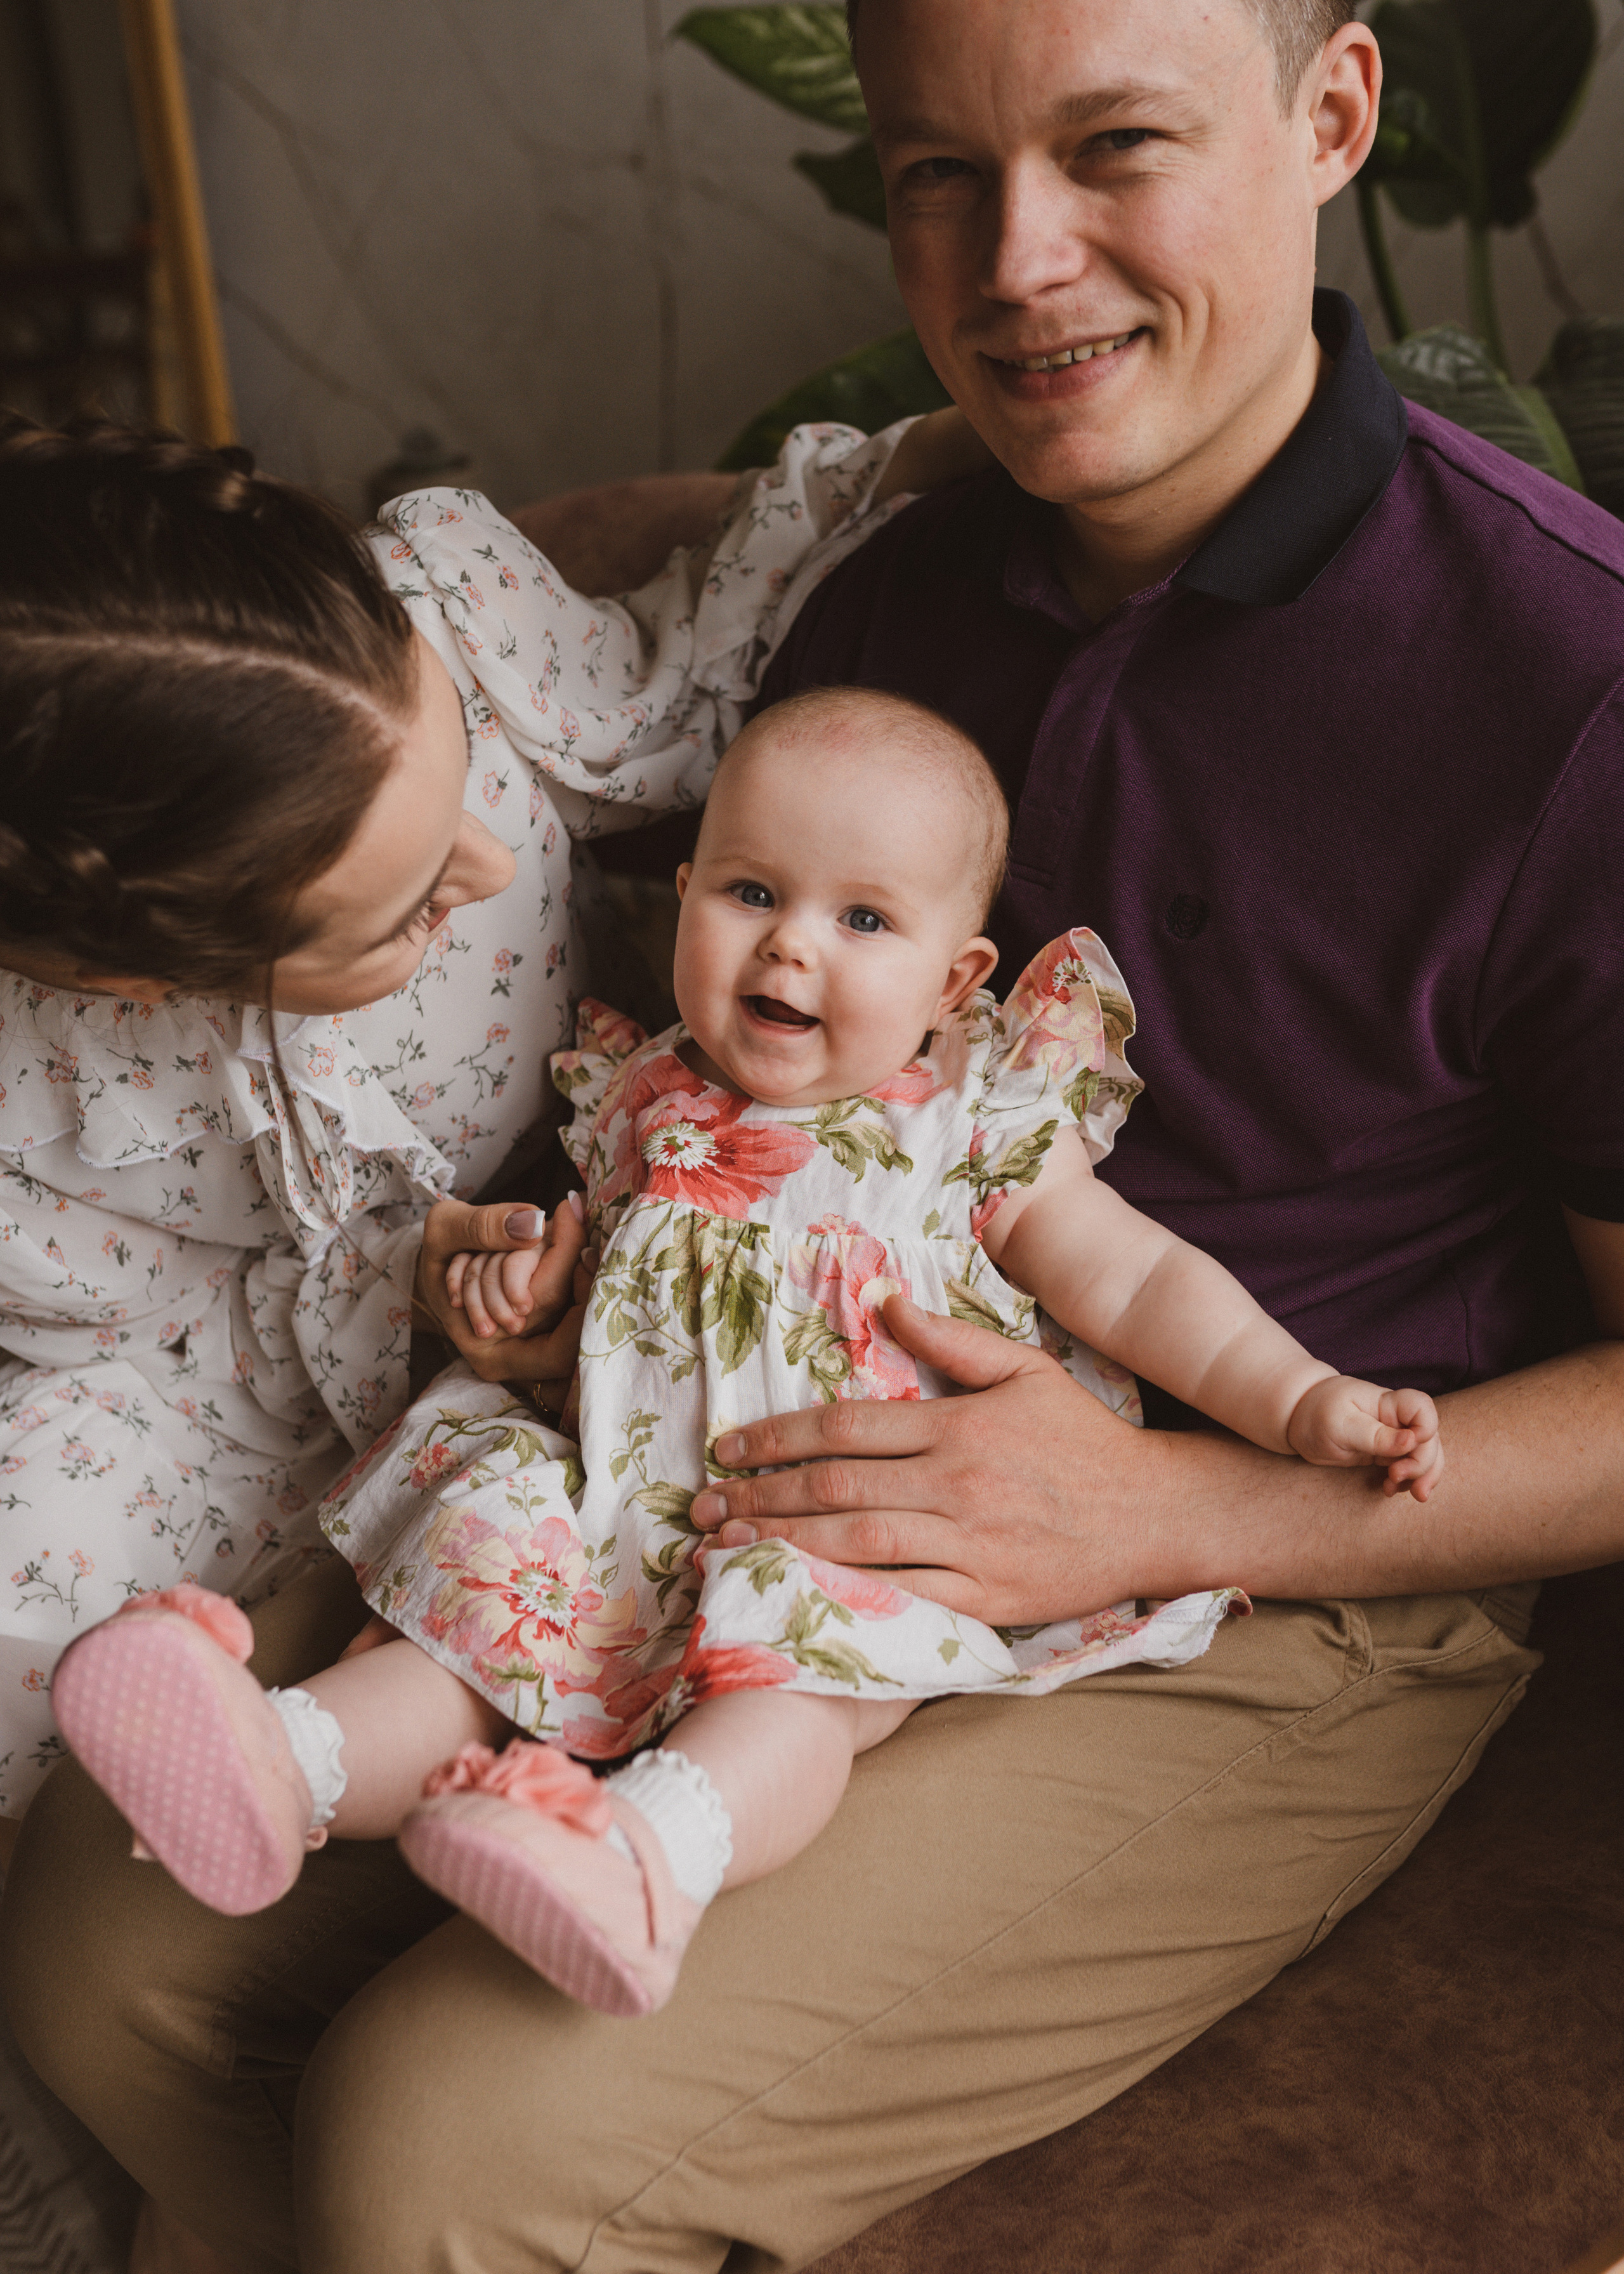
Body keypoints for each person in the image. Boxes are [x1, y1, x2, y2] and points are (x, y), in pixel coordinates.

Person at [5, 0, 1623, 2269]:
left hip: (1259, 1569)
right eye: (938, 172)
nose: (1017, 260)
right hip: (709, 1426)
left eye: (1115, 146)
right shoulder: (886, 594)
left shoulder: (1571, 683)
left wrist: (1163, 1496)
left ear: (1335, 112)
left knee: (447, 2140)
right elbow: (661, 958)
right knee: (104, 1918)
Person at [49, 687, 1441, 2018]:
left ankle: (646, 1859)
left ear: (955, 980)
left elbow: (1141, 1282)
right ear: (685, 897)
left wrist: (1300, 1398)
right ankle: (285, 1763)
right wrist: (522, 1320)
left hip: (844, 1527)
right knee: (481, 1565)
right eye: (752, 892)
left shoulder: (967, 1126)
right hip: (612, 1500)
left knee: (797, 1679)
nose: (789, 947)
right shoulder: (640, 1093)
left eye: (862, 918)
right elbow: (598, 1308)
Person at [0, 406, 962, 1822]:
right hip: (236, 1384)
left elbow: (686, 681)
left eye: (460, 780)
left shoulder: (451, 630)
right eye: (407, 910)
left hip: (620, 1226)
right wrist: (405, 1285)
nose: (497, 859)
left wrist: (904, 464)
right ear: (150, 976)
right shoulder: (48, 1090)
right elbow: (137, 1348)